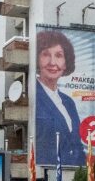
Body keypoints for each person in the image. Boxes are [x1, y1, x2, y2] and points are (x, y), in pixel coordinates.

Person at [35, 29, 85, 166]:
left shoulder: (68, 102)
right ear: (37, 59)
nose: (52, 62)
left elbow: (77, 145)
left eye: (58, 55)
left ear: (66, 62)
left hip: (74, 173)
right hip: (44, 173)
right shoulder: (32, 95)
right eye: (46, 54)